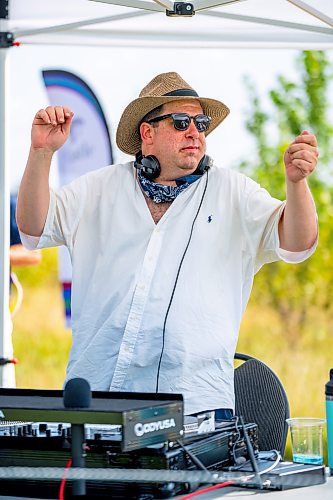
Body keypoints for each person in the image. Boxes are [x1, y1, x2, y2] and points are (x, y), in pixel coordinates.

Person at [16, 72, 318, 418]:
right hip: (101, 397)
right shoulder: (99, 188)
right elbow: (34, 227)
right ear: (148, 132)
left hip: (198, 407)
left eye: (201, 123)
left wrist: (296, 185)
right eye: (180, 122)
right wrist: (40, 153)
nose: (195, 132)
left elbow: (298, 244)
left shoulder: (234, 192)